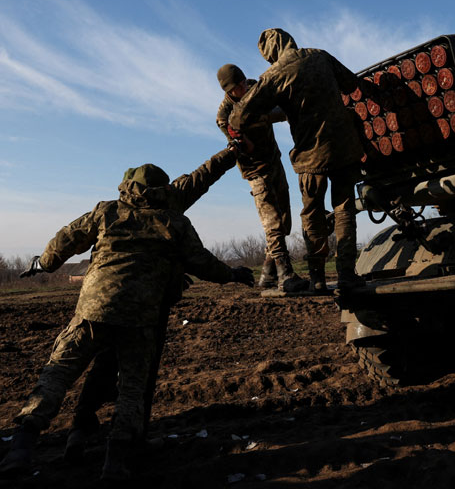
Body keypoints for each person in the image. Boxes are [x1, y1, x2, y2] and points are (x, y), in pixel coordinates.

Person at [0, 163, 255, 481]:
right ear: (164, 189)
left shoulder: (106, 211)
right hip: (141, 318)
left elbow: (65, 240)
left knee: (56, 376)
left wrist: (43, 263)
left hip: (93, 312)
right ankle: (115, 464)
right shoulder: (174, 222)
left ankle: (20, 450)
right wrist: (233, 274)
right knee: (132, 391)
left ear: (127, 186)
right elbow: (202, 262)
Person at [63, 147, 240, 461]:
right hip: (151, 303)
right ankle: (131, 442)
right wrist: (232, 153)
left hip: (107, 302)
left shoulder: (115, 209)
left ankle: (80, 428)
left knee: (105, 362)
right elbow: (204, 175)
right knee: (140, 375)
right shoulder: (172, 201)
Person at [229, 29, 365, 294]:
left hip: (310, 156)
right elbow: (351, 84)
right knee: (344, 210)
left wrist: (269, 112)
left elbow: (238, 118)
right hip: (344, 147)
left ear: (271, 53)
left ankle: (317, 278)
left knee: (312, 213)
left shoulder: (274, 75)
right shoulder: (320, 56)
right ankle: (347, 273)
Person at [216, 63, 309, 294]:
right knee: (273, 222)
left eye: (244, 82)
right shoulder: (225, 112)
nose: (243, 88)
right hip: (255, 169)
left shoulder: (258, 89)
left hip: (273, 161)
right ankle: (285, 275)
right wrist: (240, 137)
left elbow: (280, 110)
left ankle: (267, 274)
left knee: (285, 220)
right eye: (237, 87)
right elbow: (231, 132)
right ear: (228, 91)